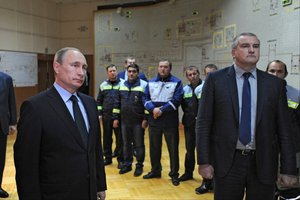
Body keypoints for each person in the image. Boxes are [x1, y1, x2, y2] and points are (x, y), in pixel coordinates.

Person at [196, 32, 297, 200]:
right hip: (227, 162)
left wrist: (288, 169)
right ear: (233, 52)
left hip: (263, 162)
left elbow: (285, 130)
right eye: (245, 46)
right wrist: (204, 161)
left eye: (255, 46)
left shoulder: (275, 84)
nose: (252, 50)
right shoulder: (216, 80)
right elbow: (204, 123)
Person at [14, 47, 107, 200]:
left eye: (84, 67)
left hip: (89, 192)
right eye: (75, 65)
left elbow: (95, 149)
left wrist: (99, 185)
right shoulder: (35, 107)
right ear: (57, 67)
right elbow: (26, 166)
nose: (81, 72)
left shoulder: (90, 103)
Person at [142, 59, 183, 186]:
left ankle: (174, 174)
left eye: (165, 67)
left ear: (170, 68)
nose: (163, 69)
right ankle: (155, 170)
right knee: (154, 148)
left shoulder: (177, 82)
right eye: (161, 67)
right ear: (158, 68)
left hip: (169, 121)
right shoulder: (150, 82)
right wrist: (152, 109)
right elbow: (145, 98)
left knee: (173, 149)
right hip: (154, 120)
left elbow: (177, 100)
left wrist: (162, 110)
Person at [266, 60, 300, 199]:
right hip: (265, 148)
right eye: (272, 71)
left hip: (289, 150)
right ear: (266, 73)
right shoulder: (256, 93)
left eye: (280, 71)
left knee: (289, 187)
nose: (276, 74)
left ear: (285, 74)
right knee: (266, 185)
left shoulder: (296, 95)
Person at [118, 63, 148, 176]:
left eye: (134, 72)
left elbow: (147, 104)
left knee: (139, 144)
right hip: (124, 121)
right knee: (126, 144)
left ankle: (139, 165)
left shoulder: (144, 85)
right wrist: (116, 118)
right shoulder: (122, 85)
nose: (131, 74)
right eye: (129, 71)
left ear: (137, 73)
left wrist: (146, 119)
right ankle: (127, 164)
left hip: (138, 122)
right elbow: (118, 102)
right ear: (127, 73)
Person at [194, 64, 218, 195]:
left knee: (217, 155)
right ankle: (205, 182)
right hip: (204, 127)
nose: (210, 76)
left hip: (218, 128)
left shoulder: (224, 87)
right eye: (208, 74)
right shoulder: (198, 90)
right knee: (205, 154)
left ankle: (216, 182)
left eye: (213, 73)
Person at [96, 64, 123, 168]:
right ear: (107, 73)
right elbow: (99, 101)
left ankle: (120, 160)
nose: (113, 72)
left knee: (120, 139)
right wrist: (99, 114)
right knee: (107, 138)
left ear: (117, 71)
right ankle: (107, 158)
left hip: (119, 117)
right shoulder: (103, 85)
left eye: (114, 70)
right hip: (106, 116)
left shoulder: (122, 84)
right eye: (110, 71)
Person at [179, 66, 203, 182]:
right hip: (189, 125)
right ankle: (188, 173)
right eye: (190, 75)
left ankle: (206, 178)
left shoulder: (206, 87)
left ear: (199, 74)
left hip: (203, 127)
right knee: (189, 150)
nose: (192, 76)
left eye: (194, 74)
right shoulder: (185, 90)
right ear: (187, 77)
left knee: (202, 151)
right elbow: (184, 106)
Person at [0, 72, 17, 198]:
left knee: (0, 159)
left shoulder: (6, 79)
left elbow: (11, 101)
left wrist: (12, 122)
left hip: (1, 124)